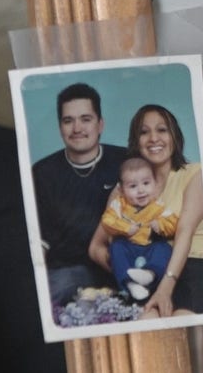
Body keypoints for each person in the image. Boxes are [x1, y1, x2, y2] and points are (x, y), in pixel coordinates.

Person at [90, 104, 203, 318]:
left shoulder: (196, 174)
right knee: (148, 322)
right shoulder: (123, 190)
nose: (153, 138)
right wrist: (127, 271)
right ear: (135, 141)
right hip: (147, 271)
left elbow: (183, 231)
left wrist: (165, 288)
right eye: (144, 132)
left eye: (162, 130)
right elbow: (95, 247)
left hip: (194, 265)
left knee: (179, 321)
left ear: (174, 135)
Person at [32, 83, 128, 307]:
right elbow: (38, 245)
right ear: (60, 127)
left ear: (100, 124)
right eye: (68, 121)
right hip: (68, 271)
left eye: (86, 119)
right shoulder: (42, 173)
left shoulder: (126, 162)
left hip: (119, 263)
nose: (77, 128)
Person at [100, 156, 179, 302]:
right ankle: (130, 283)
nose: (141, 190)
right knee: (116, 248)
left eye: (146, 183)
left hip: (150, 245)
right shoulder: (119, 205)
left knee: (164, 249)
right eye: (133, 186)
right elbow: (107, 221)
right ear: (121, 190)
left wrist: (160, 225)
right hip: (128, 245)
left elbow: (173, 222)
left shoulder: (158, 206)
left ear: (155, 184)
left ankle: (150, 274)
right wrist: (125, 228)